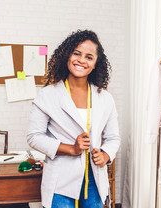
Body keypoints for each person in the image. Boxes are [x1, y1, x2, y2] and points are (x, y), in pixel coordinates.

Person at [27, 30, 120, 208]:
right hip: (61, 180)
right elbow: (34, 136)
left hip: (94, 178)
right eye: (76, 53)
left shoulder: (105, 98)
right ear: (67, 55)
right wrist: (71, 149)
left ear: (95, 64)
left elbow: (113, 138)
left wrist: (106, 154)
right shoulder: (48, 95)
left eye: (89, 57)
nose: (81, 60)